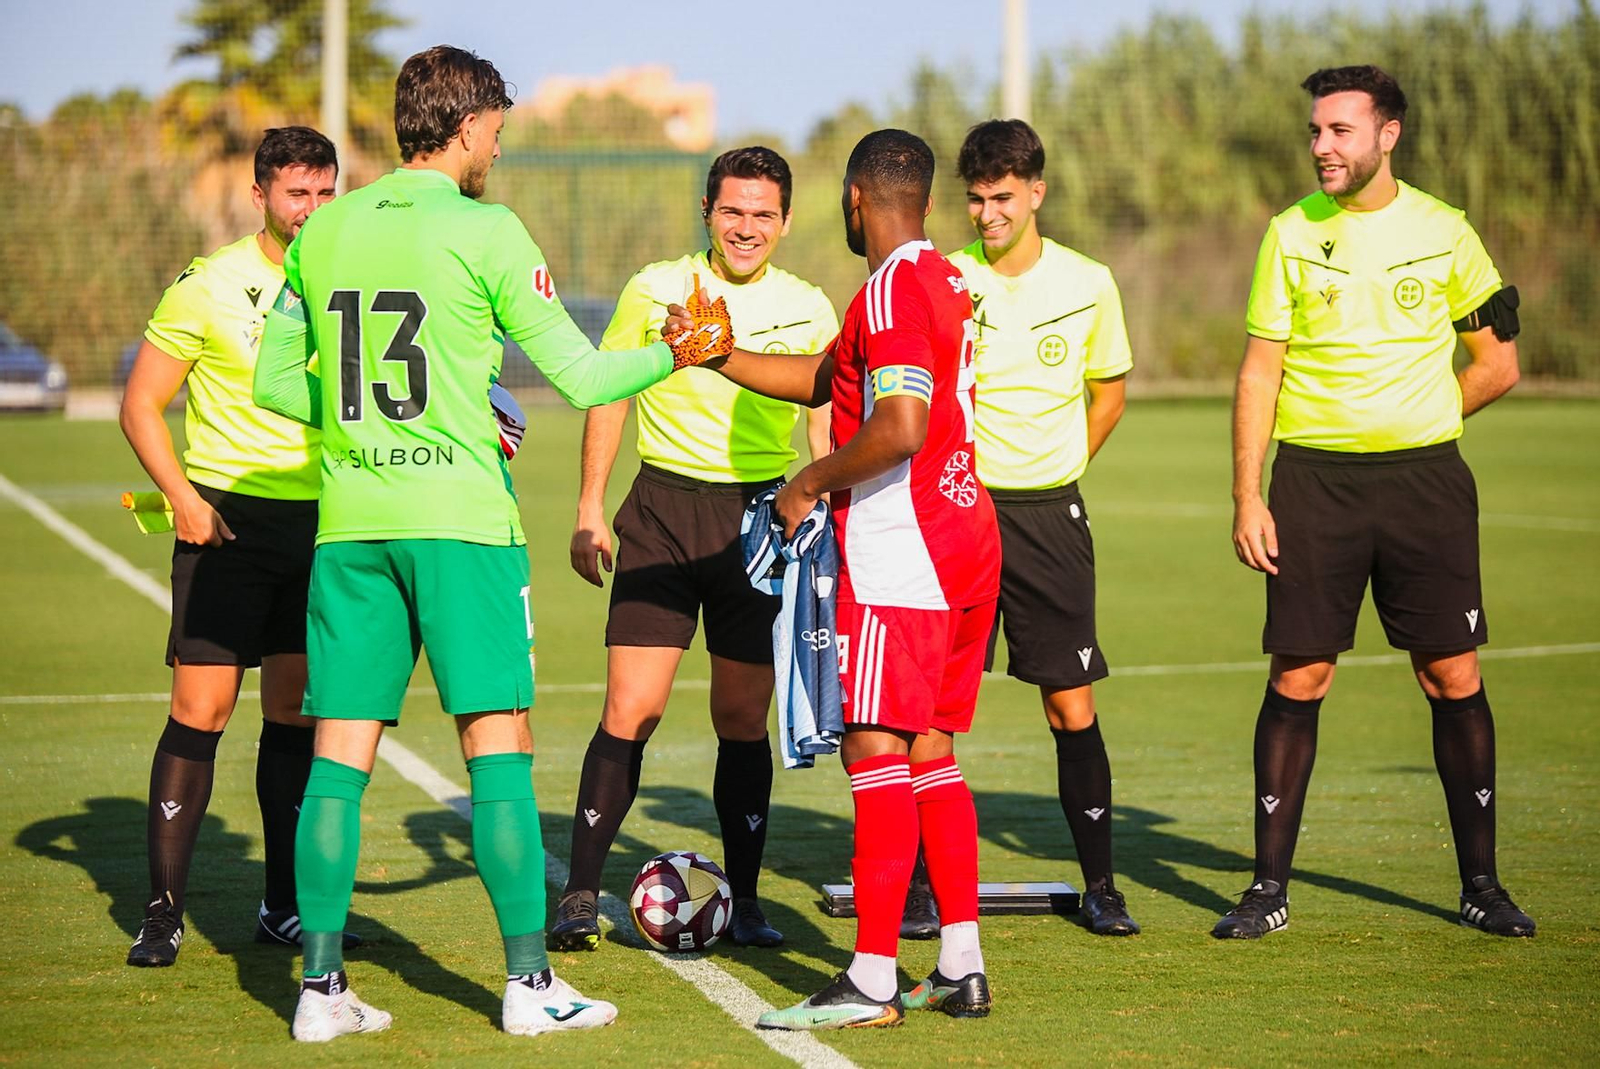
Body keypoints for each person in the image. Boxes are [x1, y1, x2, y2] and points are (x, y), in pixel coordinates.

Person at [252, 45, 731, 1042]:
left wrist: (368, 427)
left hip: (353, 525)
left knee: (337, 759)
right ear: (467, 126)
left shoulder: (324, 228)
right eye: (498, 130)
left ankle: (320, 989)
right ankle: (529, 983)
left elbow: (275, 384)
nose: (500, 147)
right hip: (463, 527)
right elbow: (586, 378)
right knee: (499, 751)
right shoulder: (488, 229)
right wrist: (679, 350)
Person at [670, 129, 1001, 1029]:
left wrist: (807, 482)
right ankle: (961, 963)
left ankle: (871, 977)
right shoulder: (943, 277)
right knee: (931, 752)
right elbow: (832, 378)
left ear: (856, 198)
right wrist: (718, 354)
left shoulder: (889, 288)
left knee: (875, 750)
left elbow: (898, 424)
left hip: (904, 548)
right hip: (966, 536)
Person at [1217, 65, 1531, 939]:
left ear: (1387, 135)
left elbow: (1498, 363)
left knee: (1451, 673)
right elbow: (1259, 373)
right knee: (1300, 675)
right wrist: (1247, 493)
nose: (1322, 146)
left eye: (1340, 131)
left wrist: (1419, 416)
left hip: (1426, 485)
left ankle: (1482, 886)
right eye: (1316, 131)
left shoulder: (1446, 230)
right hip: (1313, 484)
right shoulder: (1289, 233)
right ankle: (1267, 891)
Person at [553, 147, 838, 952]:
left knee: (741, 717)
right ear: (707, 212)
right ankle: (579, 894)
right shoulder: (655, 288)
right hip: (663, 513)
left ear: (785, 221)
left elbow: (822, 419)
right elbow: (610, 393)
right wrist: (589, 506)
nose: (746, 227)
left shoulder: (810, 305)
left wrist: (825, 516)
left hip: (759, 521)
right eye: (732, 211)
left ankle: (745, 902)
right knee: (631, 707)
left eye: (763, 214)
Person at [119, 126, 354, 967]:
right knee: (202, 710)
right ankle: (163, 912)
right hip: (225, 521)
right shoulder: (208, 284)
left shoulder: (350, 280)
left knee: (295, 712)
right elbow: (140, 405)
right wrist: (183, 498)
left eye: (325, 191)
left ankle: (282, 908)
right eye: (298, 193)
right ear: (260, 195)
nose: (313, 208)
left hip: (324, 522)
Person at [940, 118, 1139, 937]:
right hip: (960, 512)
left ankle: (1102, 886)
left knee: (1069, 703)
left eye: (1002, 198)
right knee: (935, 711)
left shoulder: (1089, 282)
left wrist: (1061, 462)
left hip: (1050, 515)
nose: (987, 214)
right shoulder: (946, 277)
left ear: (1036, 192)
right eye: (976, 199)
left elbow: (1109, 394)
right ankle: (920, 886)